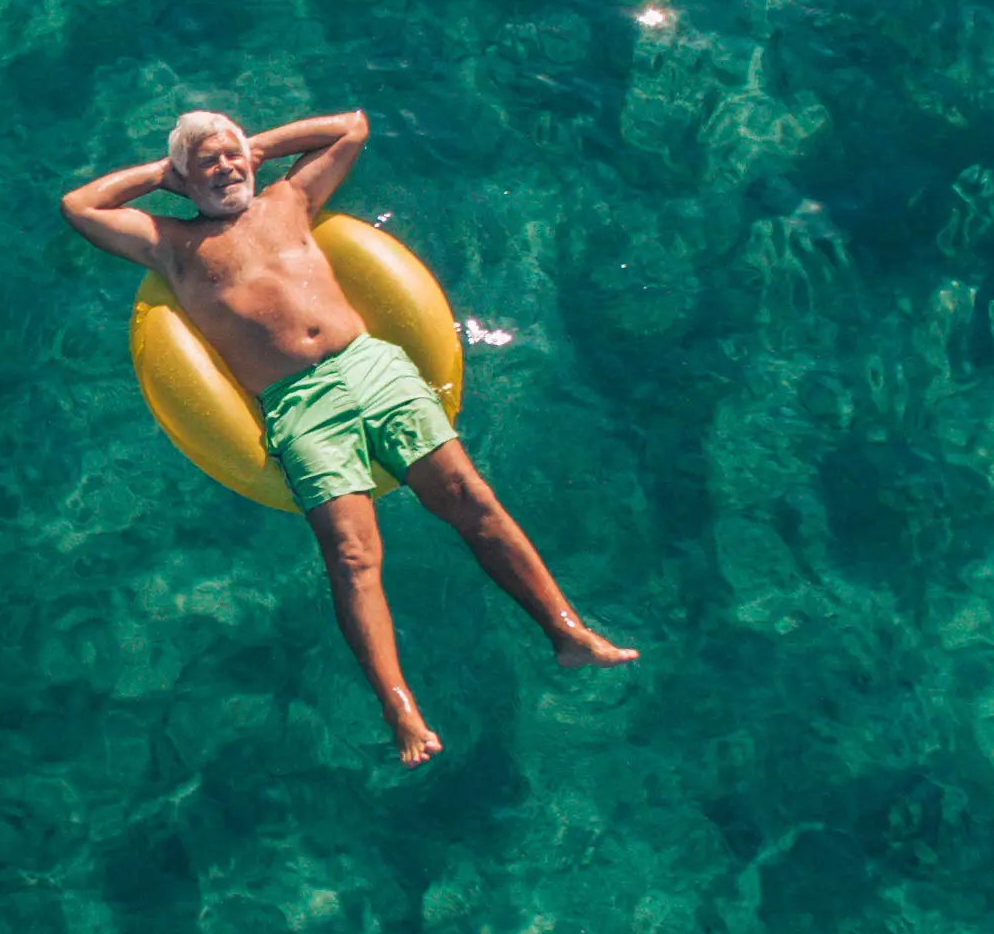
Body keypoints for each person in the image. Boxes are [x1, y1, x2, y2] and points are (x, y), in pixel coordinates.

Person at [60, 108, 635, 764]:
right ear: (182, 184)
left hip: (371, 365)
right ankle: (401, 710)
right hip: (299, 405)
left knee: (470, 501)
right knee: (354, 557)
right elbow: (79, 204)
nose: (224, 169)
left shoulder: (288, 199)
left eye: (231, 157)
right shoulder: (170, 244)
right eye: (207, 165)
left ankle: (567, 633)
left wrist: (252, 149)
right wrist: (167, 172)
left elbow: (352, 128)